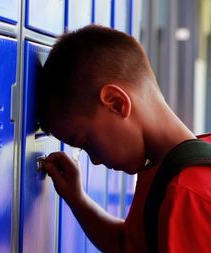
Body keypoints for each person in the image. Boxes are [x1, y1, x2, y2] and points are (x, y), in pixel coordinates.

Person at [36, 25, 211, 253]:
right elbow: (130, 244)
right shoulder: (168, 172)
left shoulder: (187, 194)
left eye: (86, 144)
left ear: (117, 103)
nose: (96, 161)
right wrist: (76, 198)